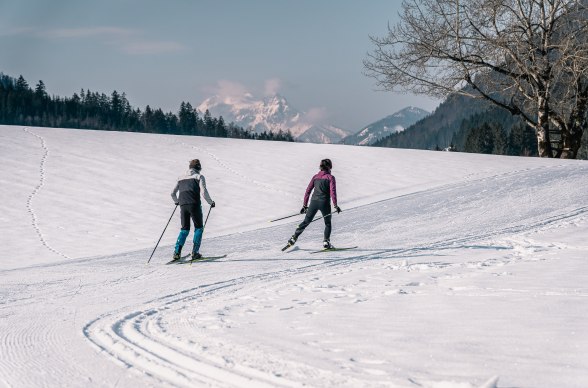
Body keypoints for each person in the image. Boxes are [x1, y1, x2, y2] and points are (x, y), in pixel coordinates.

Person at [286, 158, 341, 249]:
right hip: (324, 203)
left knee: (306, 221)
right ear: (329, 167)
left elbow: (308, 191)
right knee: (327, 223)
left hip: (314, 202)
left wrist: (304, 205)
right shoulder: (330, 178)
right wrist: (335, 205)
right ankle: (326, 242)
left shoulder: (315, 177)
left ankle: (294, 237)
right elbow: (333, 192)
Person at [171, 159, 215, 261]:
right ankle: (195, 253)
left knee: (184, 229)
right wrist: (211, 202)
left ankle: (177, 252)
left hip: (183, 205)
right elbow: (203, 192)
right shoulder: (199, 177)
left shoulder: (180, 178)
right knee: (199, 228)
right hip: (194, 205)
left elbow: (172, 193)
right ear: (199, 168)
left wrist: (177, 202)